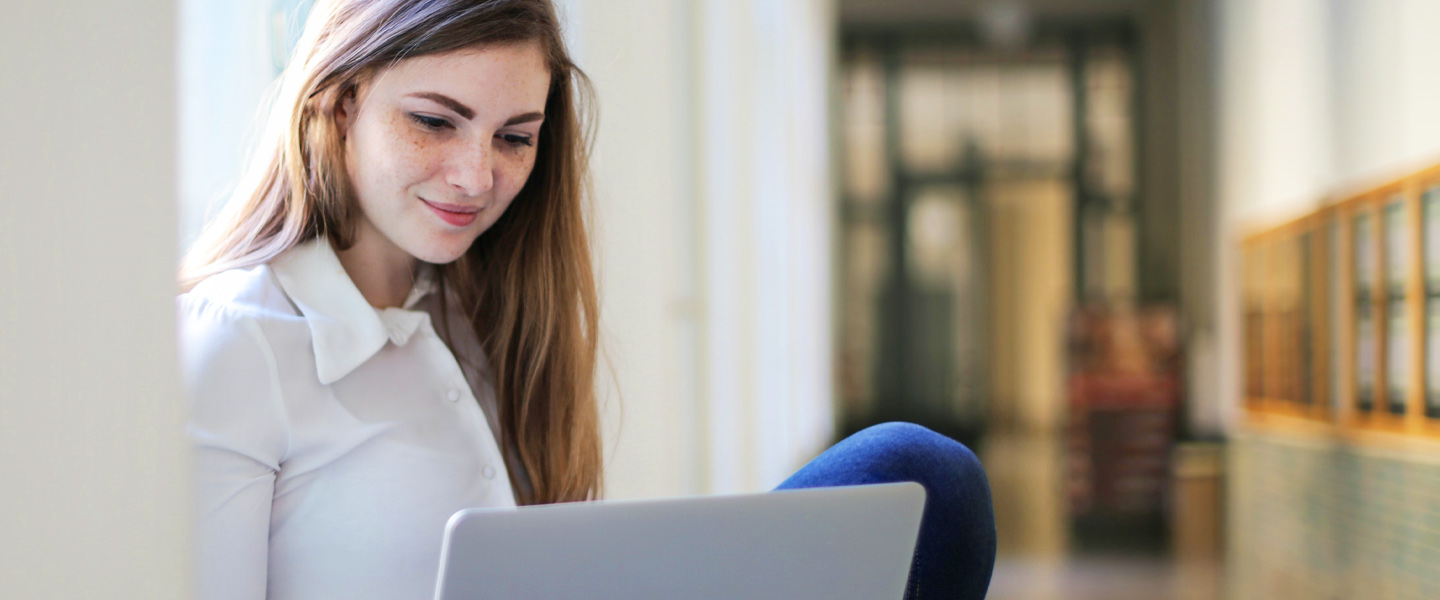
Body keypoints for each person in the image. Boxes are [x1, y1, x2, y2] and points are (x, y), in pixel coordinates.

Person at [177, 1, 995, 599]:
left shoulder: (477, 316)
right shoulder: (238, 341)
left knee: (923, 479)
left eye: (514, 137)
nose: (477, 177)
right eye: (434, 121)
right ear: (341, 101)